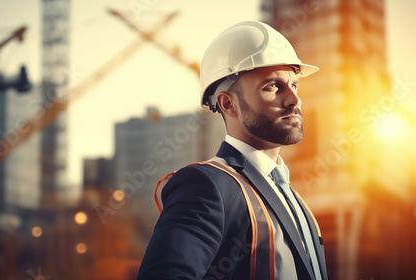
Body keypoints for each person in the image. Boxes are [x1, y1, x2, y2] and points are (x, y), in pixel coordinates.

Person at [136, 21, 327, 280]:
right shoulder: (206, 186)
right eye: (272, 86)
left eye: (294, 85)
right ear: (228, 104)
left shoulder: (293, 198)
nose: (294, 99)